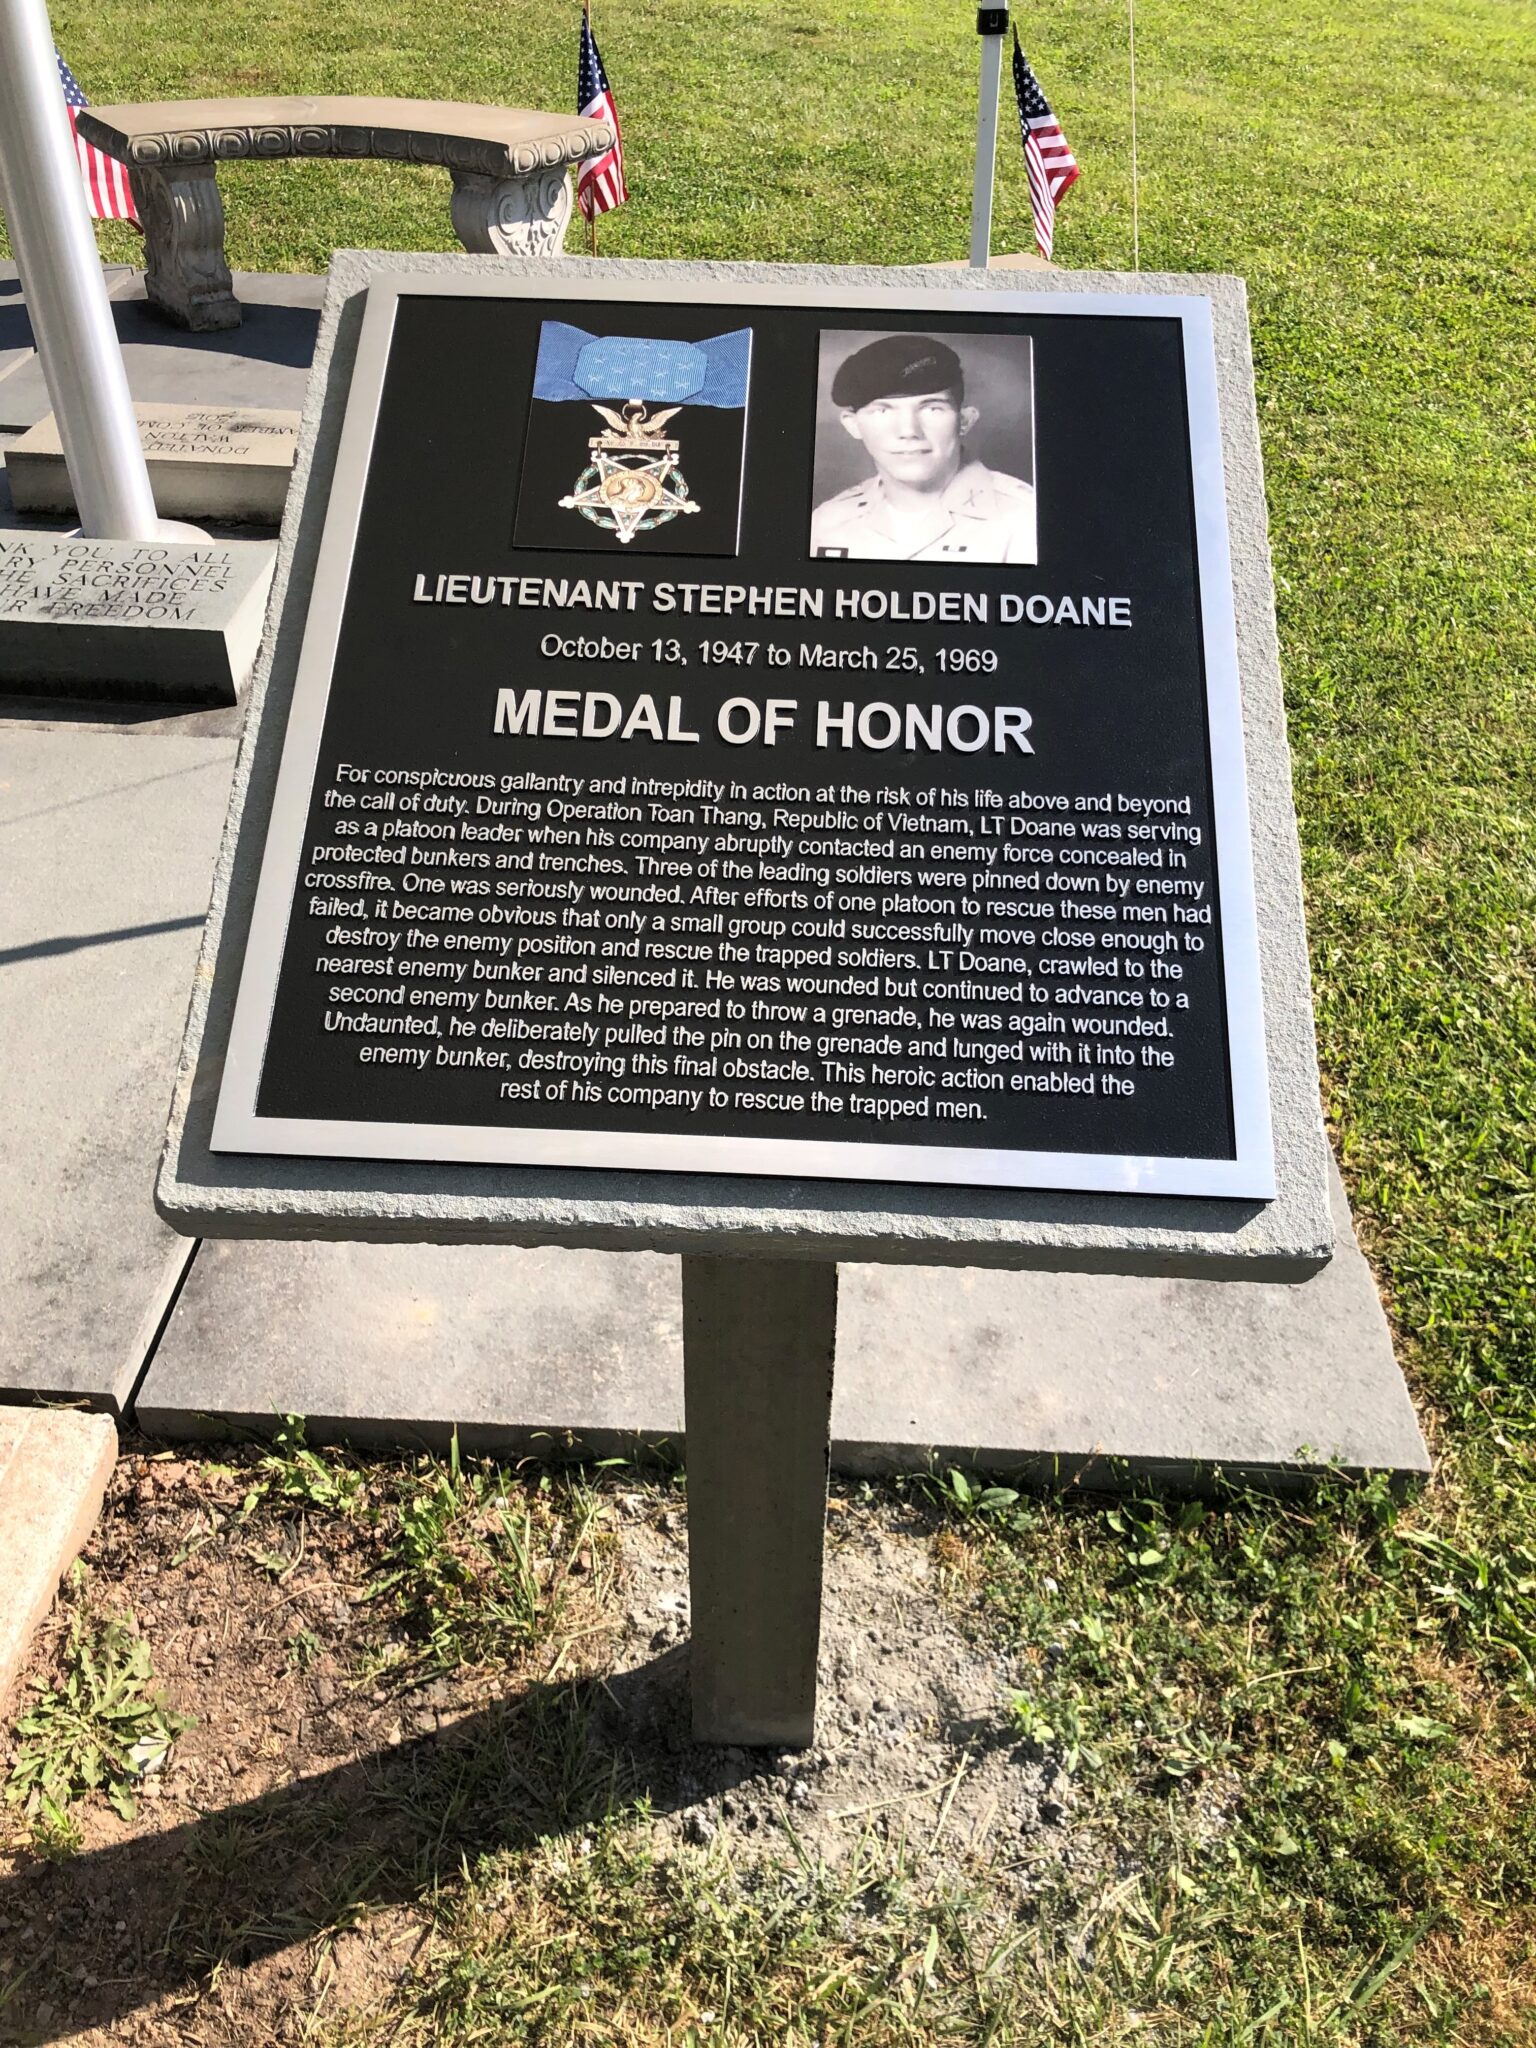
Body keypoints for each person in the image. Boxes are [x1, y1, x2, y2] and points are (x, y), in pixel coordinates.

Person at [810, 334, 1037, 564]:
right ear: (853, 425)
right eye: (882, 411)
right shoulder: (826, 522)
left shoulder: (1025, 518)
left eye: (932, 409)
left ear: (965, 421)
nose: (909, 431)